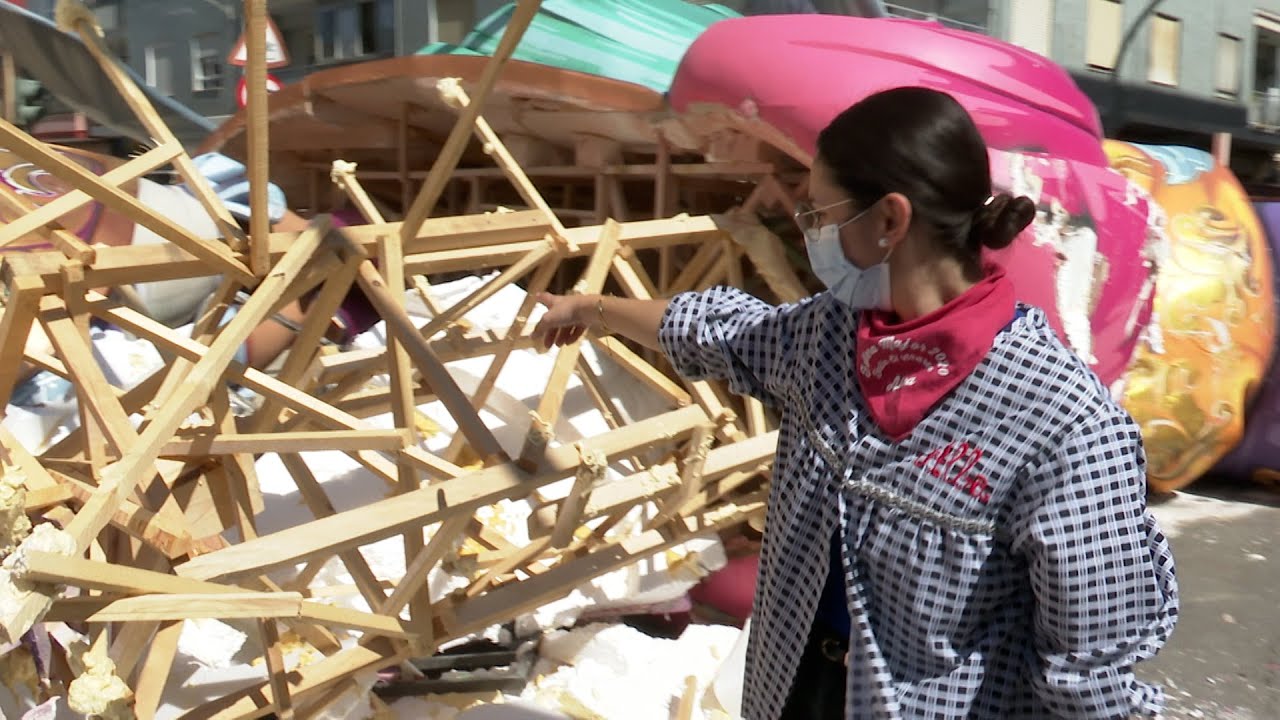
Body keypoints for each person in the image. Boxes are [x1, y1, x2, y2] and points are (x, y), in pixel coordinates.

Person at [533, 86, 1178, 719]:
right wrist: (591, 308)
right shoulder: (829, 337)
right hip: (791, 690)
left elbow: (1089, 669)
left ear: (890, 221)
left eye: (819, 214)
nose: (809, 232)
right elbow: (716, 331)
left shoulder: (1061, 424)